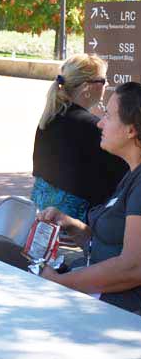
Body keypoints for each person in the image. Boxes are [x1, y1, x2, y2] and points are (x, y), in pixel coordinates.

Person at [38, 82, 141, 314]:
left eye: (108, 116)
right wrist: (71, 225)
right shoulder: (131, 174)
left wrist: (60, 283)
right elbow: (108, 245)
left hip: (121, 312)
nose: (101, 123)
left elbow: (133, 267)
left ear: (131, 130)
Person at [33, 54, 127, 220]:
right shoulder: (92, 127)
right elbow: (122, 177)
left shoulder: (48, 120)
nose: (107, 85)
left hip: (41, 216)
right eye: (103, 81)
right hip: (75, 226)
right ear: (87, 87)